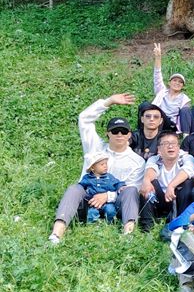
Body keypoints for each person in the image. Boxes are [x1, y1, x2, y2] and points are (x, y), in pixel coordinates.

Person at [51, 94, 145, 243]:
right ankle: (57, 233)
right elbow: (84, 119)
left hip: (116, 207)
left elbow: (132, 189)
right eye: (115, 131)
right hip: (88, 201)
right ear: (107, 134)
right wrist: (109, 102)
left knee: (131, 190)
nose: (119, 135)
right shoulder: (95, 148)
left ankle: (128, 234)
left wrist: (107, 196)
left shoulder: (137, 161)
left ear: (129, 135)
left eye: (123, 131)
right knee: (74, 188)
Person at [139, 130, 194, 231]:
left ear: (178, 147)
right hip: (160, 199)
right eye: (166, 144)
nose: (170, 146)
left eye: (174, 143)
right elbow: (151, 170)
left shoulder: (186, 158)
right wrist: (146, 181)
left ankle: (181, 222)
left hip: (178, 197)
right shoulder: (154, 159)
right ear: (159, 149)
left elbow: (188, 171)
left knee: (188, 182)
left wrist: (171, 186)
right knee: (149, 184)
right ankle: (147, 227)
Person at [150, 43, 192, 133]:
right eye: (174, 80)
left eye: (180, 82)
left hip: (171, 124)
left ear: (183, 86)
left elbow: (185, 115)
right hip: (157, 119)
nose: (177, 83)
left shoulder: (184, 99)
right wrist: (158, 58)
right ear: (169, 83)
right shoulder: (162, 91)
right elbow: (157, 75)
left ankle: (185, 136)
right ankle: (142, 131)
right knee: (145, 106)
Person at [79, 152, 124, 223]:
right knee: (92, 213)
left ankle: (111, 223)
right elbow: (80, 187)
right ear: (93, 168)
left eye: (106, 164)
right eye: (102, 164)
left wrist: (121, 187)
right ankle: (92, 225)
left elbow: (117, 183)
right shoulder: (87, 178)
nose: (105, 166)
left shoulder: (109, 177)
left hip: (107, 202)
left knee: (110, 210)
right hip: (93, 203)